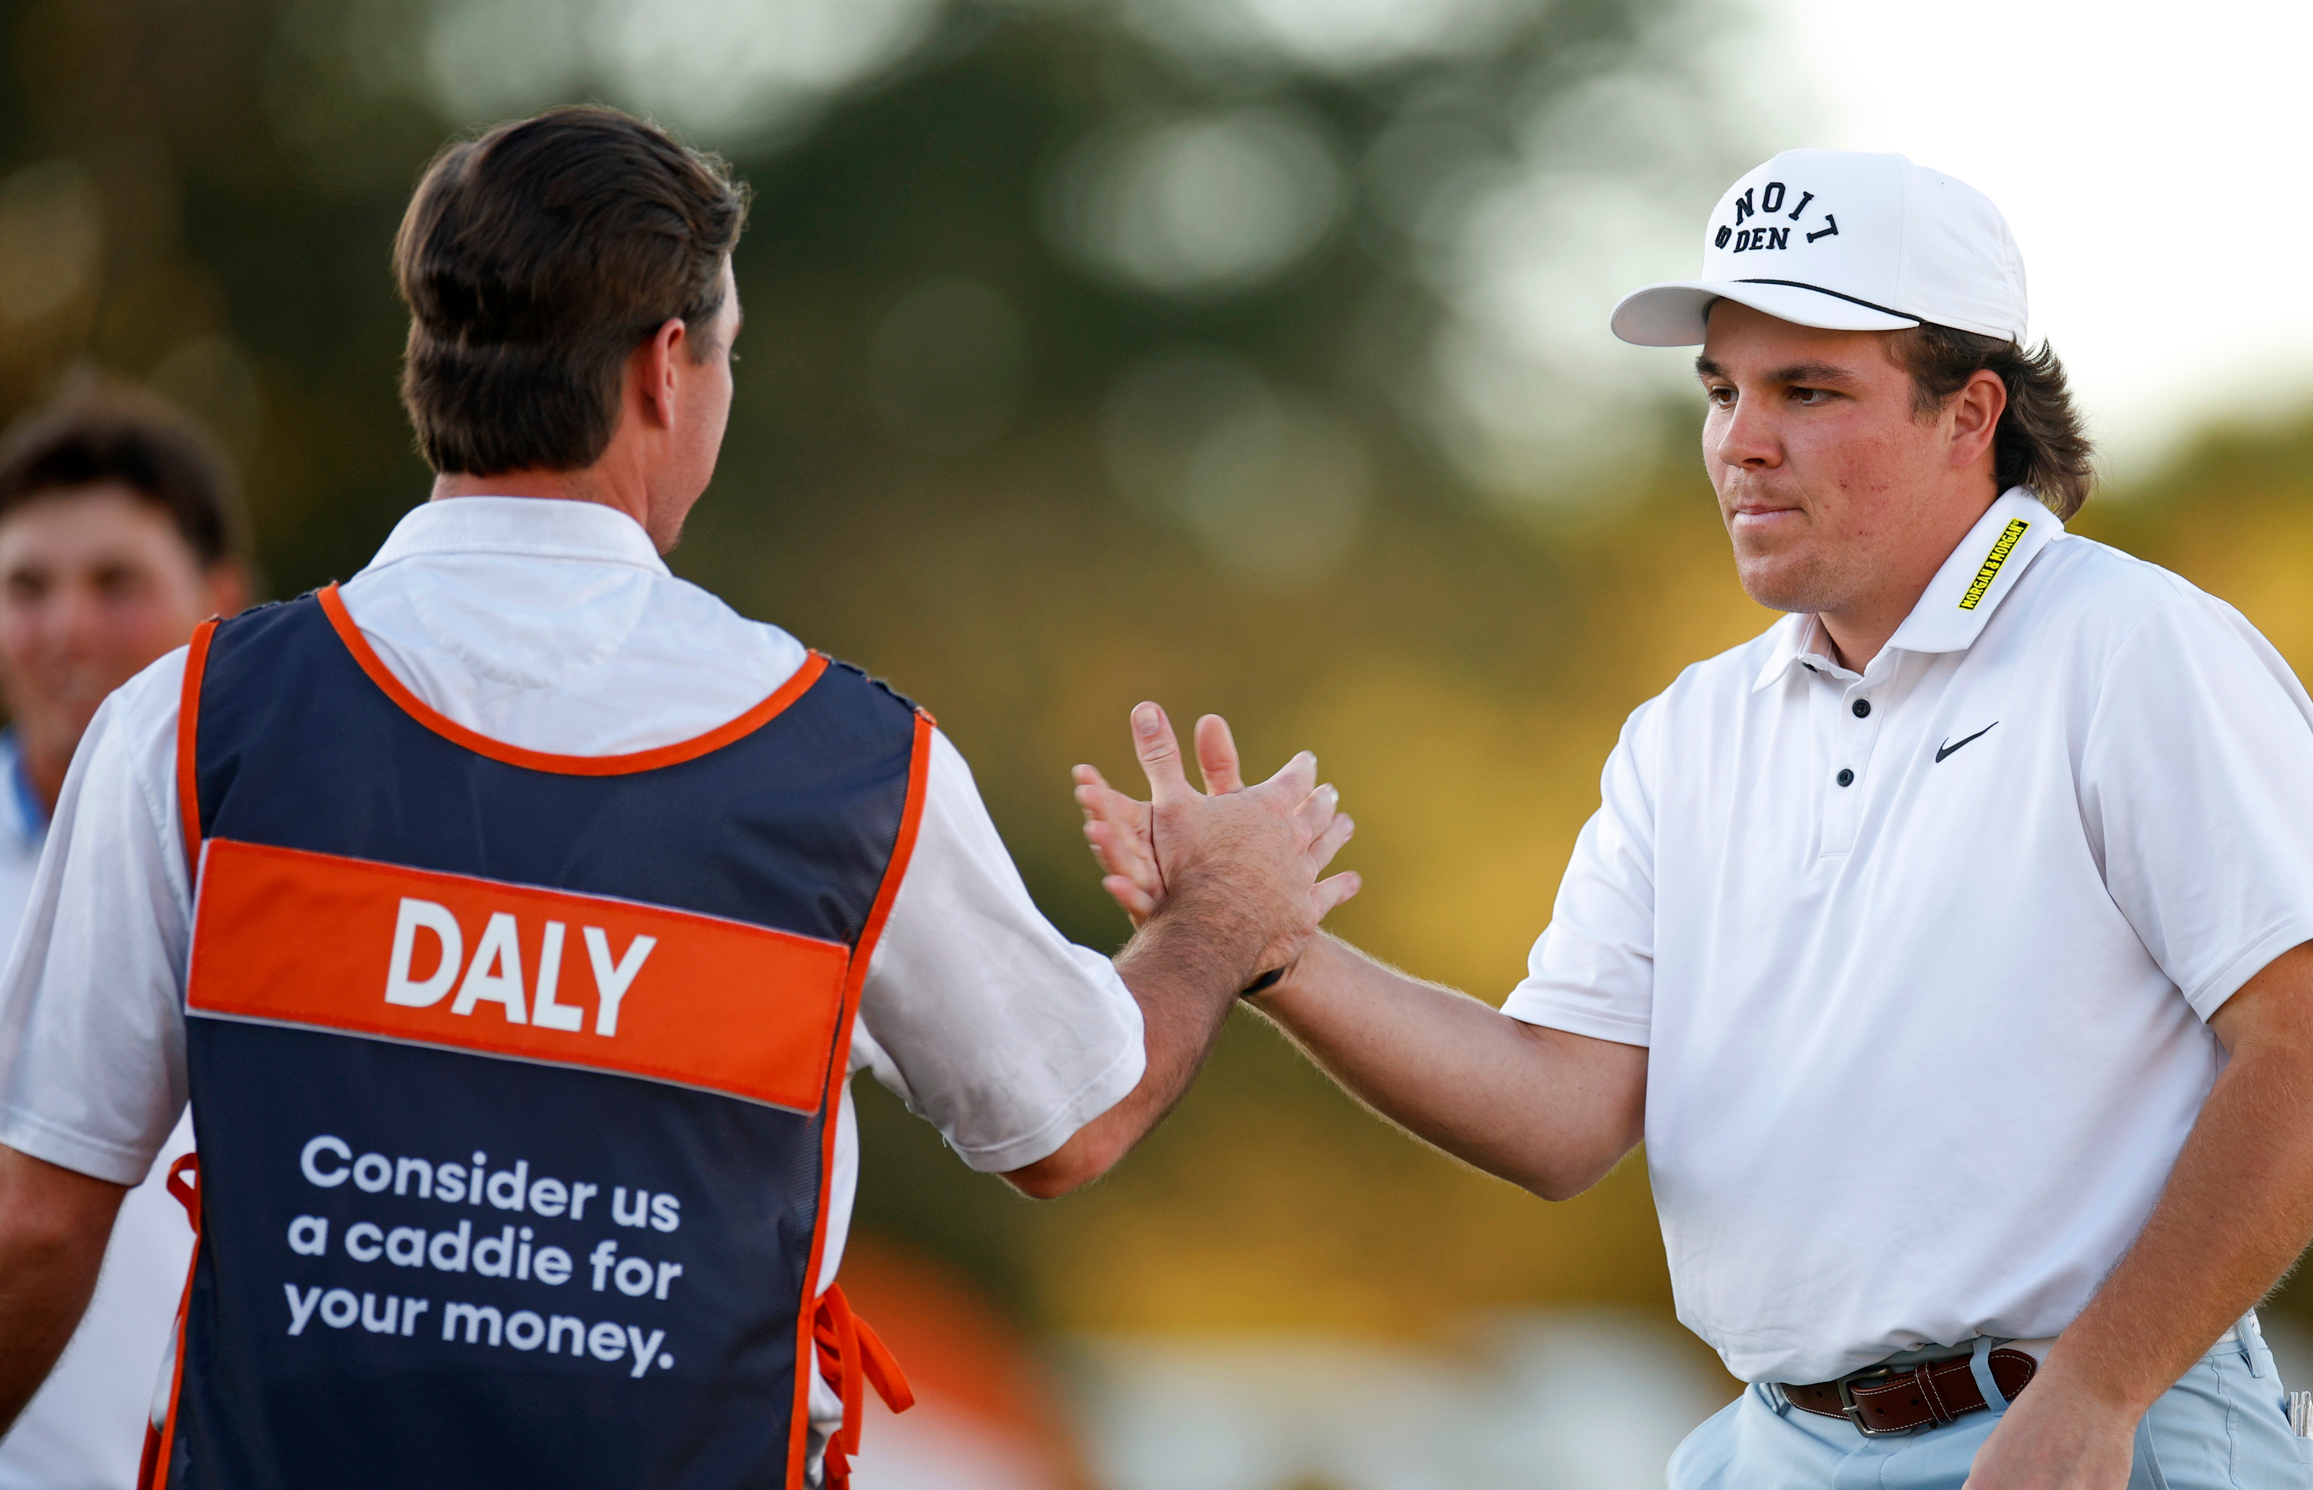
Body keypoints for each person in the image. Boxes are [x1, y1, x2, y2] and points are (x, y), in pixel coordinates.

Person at [0, 106, 1353, 1489]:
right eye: (730, 354)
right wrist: (1228, 908)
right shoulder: (845, 762)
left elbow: (40, 1223)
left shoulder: (193, 717)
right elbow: (1068, 1119)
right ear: (664, 368)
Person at [1076, 149, 2313, 1489]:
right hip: (1777, 1444)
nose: (1741, 440)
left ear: (1971, 410)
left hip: (2098, 1426)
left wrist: (2101, 1388)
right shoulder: (1689, 732)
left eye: (1808, 391)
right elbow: (1559, 1111)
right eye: (1722, 391)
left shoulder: (2137, 650)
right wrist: (1273, 949)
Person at [0, 386, 249, 1490]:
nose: (69, 629)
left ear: (222, 601)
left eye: (117, 582)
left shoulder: (304, 888)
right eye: (26, 586)